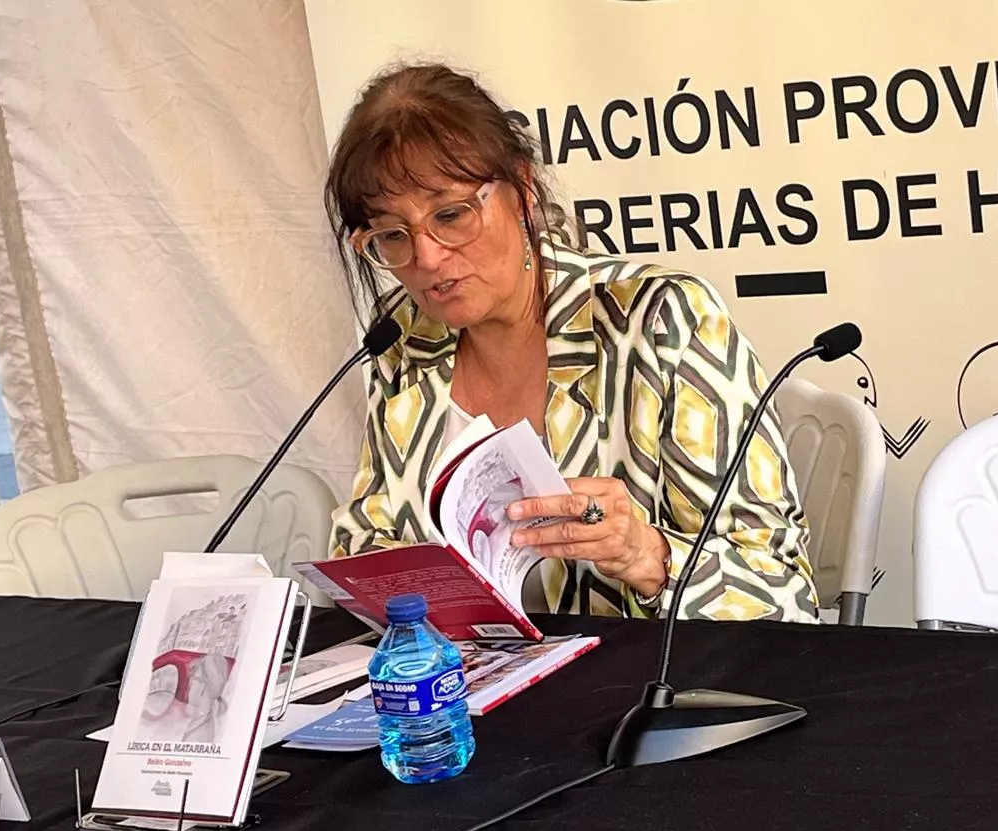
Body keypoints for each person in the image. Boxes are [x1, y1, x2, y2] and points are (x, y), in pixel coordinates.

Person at [326, 64, 818, 622]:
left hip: (639, 692)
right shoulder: (405, 335)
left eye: (451, 215)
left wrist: (646, 554)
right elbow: (366, 539)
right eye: (393, 234)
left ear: (521, 193)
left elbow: (781, 592)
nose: (427, 259)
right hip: (462, 690)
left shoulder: (659, 318)